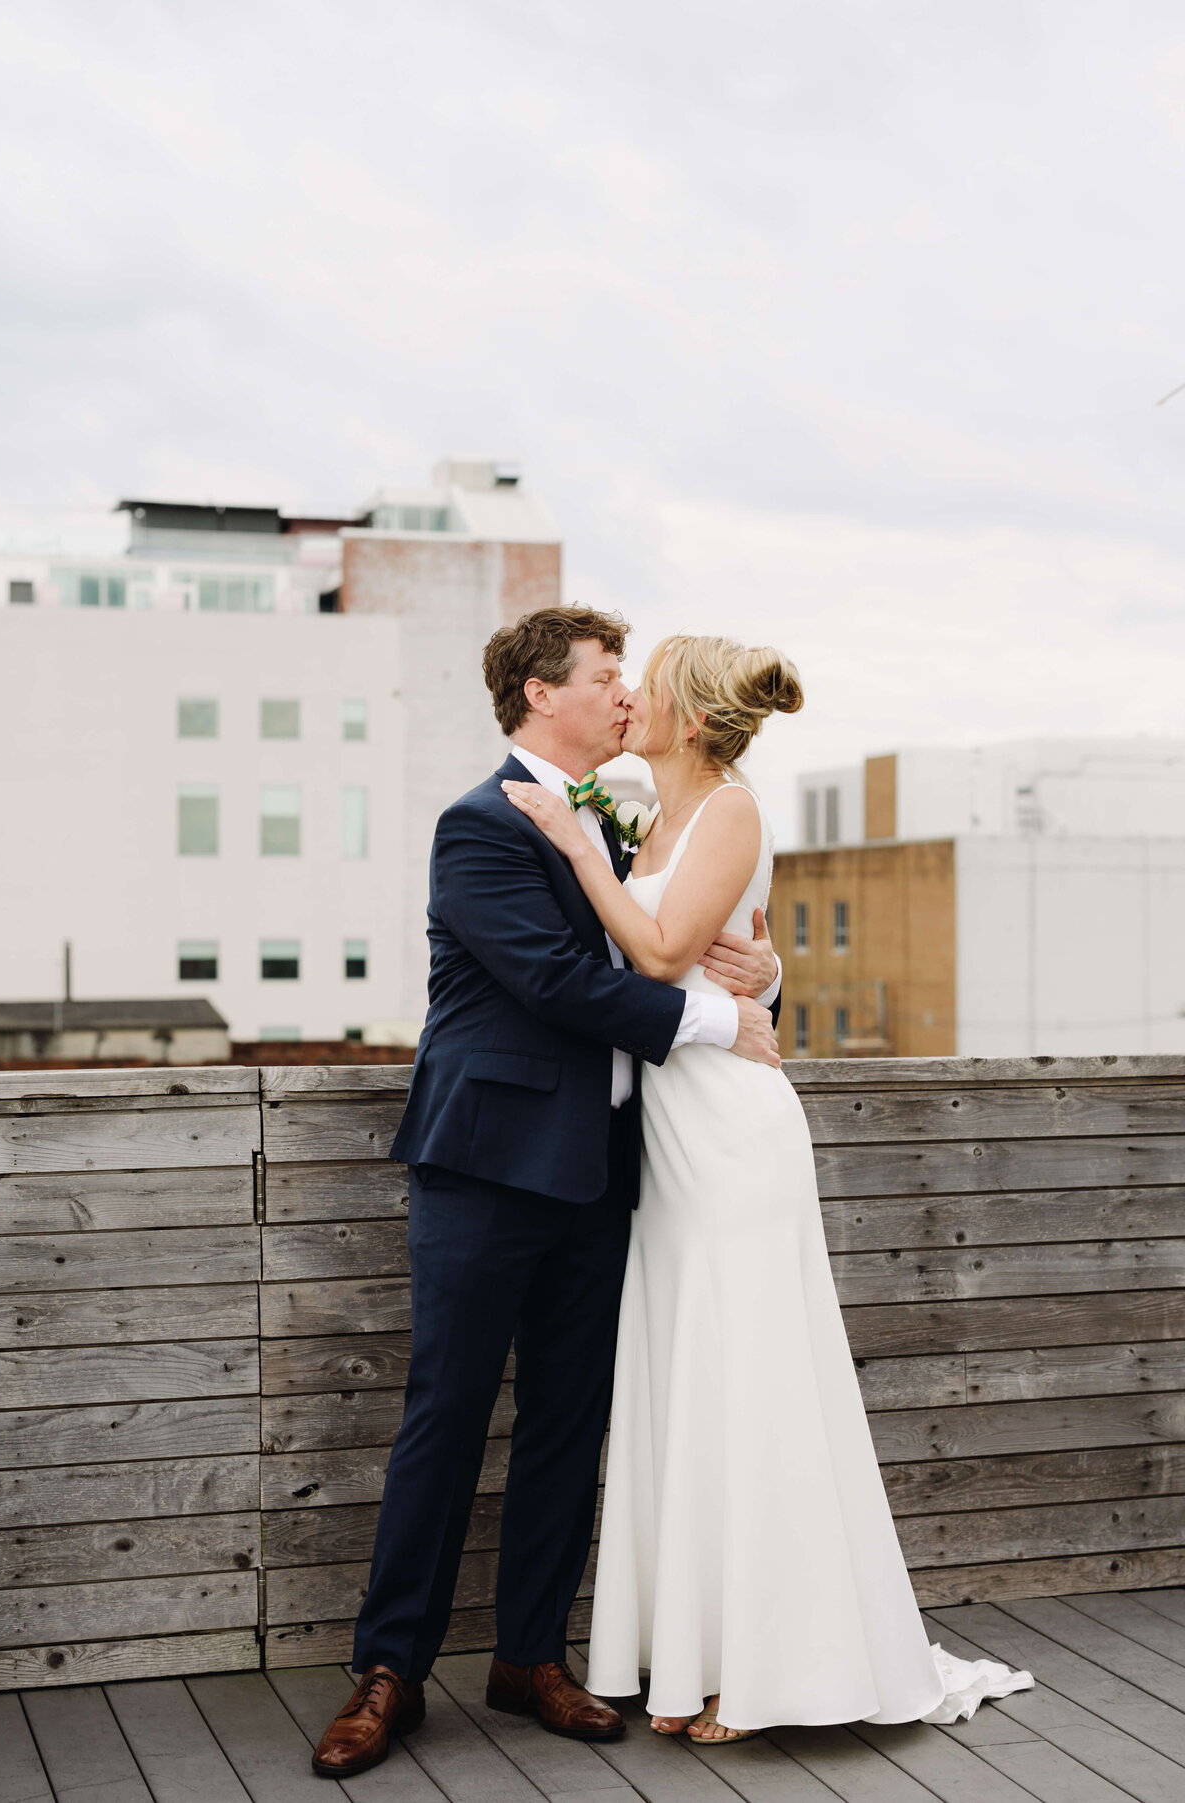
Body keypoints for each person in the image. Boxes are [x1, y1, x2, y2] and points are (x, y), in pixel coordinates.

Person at [503, 631, 1032, 1743]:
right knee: (692, 1380)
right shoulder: (651, 816)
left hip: (733, 1139)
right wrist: (768, 966)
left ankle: (772, 1673)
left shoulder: (729, 806)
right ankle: (695, 1658)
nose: (629, 696)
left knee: (752, 1381)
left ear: (690, 719)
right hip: (670, 1135)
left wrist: (577, 849)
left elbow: (656, 957)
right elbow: (708, 952)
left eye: (648, 685)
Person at [311, 606, 783, 1779]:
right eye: (606, 676)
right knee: (447, 1413)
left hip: (611, 1172)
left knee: (571, 1423)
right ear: (539, 695)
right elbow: (561, 982)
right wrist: (732, 1021)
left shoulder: (626, 826)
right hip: (485, 1167)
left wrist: (764, 976)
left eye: (632, 678)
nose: (627, 695)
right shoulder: (478, 826)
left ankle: (530, 1657)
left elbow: (681, 937)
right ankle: (389, 1672)